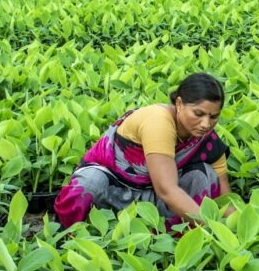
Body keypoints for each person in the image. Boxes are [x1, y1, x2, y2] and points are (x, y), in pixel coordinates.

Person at [54, 73, 234, 230]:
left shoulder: (207, 138)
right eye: (198, 114)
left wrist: (238, 228)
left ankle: (180, 242)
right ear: (179, 103)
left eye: (213, 117)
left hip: (153, 198)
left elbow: (224, 197)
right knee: (89, 183)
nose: (206, 124)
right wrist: (213, 228)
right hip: (113, 191)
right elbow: (167, 189)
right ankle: (69, 238)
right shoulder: (158, 121)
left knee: (204, 175)